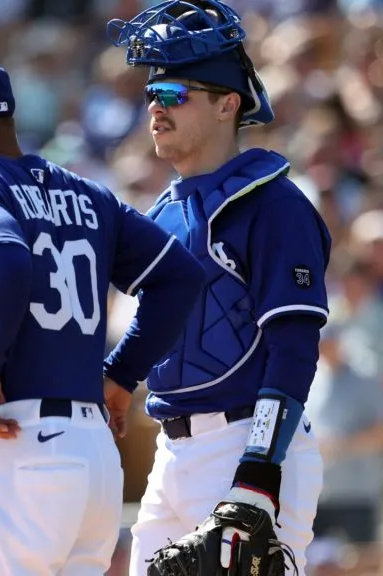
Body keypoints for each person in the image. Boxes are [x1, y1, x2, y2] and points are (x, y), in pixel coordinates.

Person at [0, 51, 204, 576]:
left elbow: (5, 260)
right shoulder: (87, 192)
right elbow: (180, 275)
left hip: (17, 444)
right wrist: (122, 373)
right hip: (93, 458)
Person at [106, 1, 332, 574]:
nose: (157, 106)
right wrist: (115, 377)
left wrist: (258, 469)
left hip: (247, 445)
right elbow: (159, 327)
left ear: (228, 103)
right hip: (171, 452)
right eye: (152, 93)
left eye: (176, 94)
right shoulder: (163, 212)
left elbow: (294, 346)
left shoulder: (274, 204)